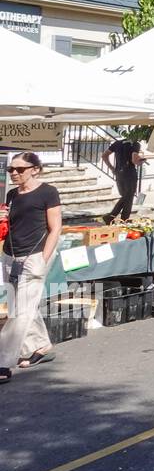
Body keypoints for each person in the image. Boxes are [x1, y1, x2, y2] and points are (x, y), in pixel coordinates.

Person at [0, 153, 62, 382]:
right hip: (11, 256)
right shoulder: (12, 194)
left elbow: (55, 228)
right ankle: (42, 346)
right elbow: (13, 224)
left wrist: (44, 258)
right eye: (11, 170)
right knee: (20, 305)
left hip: (35, 256)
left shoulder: (48, 192)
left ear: (35, 169)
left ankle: (3, 362)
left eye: (20, 169)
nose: (14, 173)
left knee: (21, 310)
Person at [101, 136, 150, 224]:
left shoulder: (117, 143)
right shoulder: (135, 144)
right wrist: (141, 161)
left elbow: (104, 156)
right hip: (129, 173)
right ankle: (111, 216)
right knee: (128, 196)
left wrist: (112, 168)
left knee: (127, 197)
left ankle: (123, 219)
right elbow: (134, 160)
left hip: (119, 172)